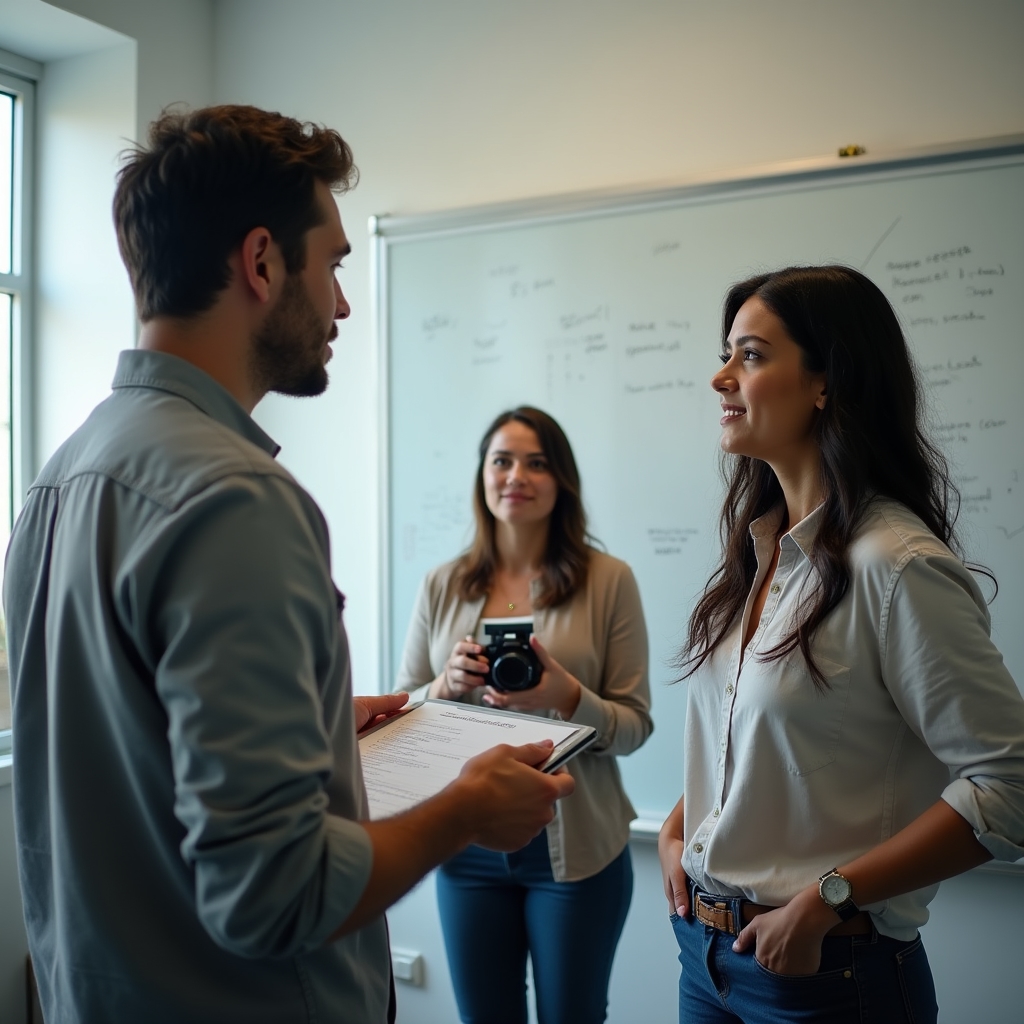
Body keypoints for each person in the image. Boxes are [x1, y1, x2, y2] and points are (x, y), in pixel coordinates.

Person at [2, 105, 574, 1024]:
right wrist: (464, 812)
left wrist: (312, 722)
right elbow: (275, 895)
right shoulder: (236, 500)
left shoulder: (57, 483)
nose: (344, 303)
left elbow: (119, 746)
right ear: (263, 262)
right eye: (336, 264)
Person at [657, 264, 1024, 1023]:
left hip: (828, 977)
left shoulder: (896, 566)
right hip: (707, 958)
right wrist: (679, 826)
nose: (721, 377)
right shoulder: (763, 555)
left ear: (826, 382)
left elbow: (1011, 786)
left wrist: (830, 899)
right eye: (727, 352)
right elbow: (772, 737)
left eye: (751, 355)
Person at [396, 405, 652, 1024]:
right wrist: (444, 686)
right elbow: (401, 710)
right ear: (482, 477)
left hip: (576, 848)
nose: (517, 476)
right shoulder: (442, 583)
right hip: (465, 843)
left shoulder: (608, 580)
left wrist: (565, 699)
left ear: (561, 479)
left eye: (537, 463)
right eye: (502, 461)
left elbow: (635, 725)